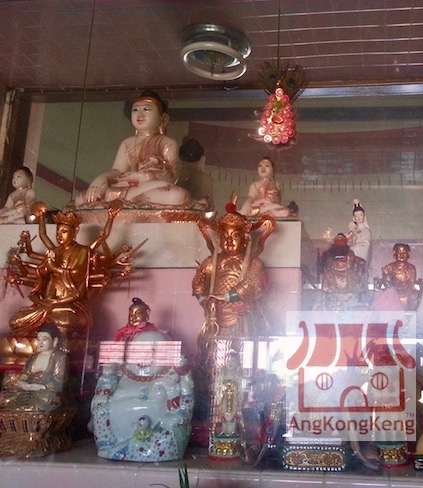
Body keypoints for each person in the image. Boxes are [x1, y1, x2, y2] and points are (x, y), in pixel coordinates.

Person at [8, 201, 121, 335]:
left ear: (75, 232)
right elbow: (43, 236)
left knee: (67, 319)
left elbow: (77, 273)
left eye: (64, 232)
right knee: (15, 320)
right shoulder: (54, 252)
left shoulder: (83, 251)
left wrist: (111, 216)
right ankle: (45, 329)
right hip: (48, 305)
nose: (59, 236)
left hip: (70, 305)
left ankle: (48, 329)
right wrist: (42, 217)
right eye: (58, 232)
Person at [74, 90, 190, 208]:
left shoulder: (167, 143)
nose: (140, 115)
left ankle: (126, 204)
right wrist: (101, 178)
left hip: (151, 186)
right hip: (129, 187)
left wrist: (142, 176)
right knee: (81, 199)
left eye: (146, 109)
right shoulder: (127, 143)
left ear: (163, 118)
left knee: (177, 195)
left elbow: (173, 177)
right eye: (135, 110)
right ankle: (131, 203)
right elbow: (118, 171)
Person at [90, 330, 194, 462]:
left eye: (153, 351)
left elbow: (186, 403)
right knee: (100, 408)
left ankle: (129, 450)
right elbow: (102, 393)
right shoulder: (120, 374)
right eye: (139, 350)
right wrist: (107, 377)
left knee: (170, 432)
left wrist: (177, 415)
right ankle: (110, 446)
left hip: (156, 435)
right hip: (114, 433)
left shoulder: (171, 378)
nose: (145, 356)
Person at [192, 198, 276, 347]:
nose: (229, 241)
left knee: (243, 348)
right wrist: (203, 300)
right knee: (212, 349)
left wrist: (227, 296)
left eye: (235, 236)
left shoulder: (253, 262)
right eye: (225, 236)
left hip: (241, 315)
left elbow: (251, 283)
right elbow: (199, 281)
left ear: (246, 238)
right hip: (215, 316)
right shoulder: (212, 261)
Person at [0, 324, 68, 412]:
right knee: (6, 398)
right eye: (38, 339)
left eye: (45, 339)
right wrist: (23, 383)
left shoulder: (60, 357)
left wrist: (40, 386)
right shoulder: (34, 357)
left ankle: (32, 417)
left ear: (55, 341)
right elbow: (26, 374)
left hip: (46, 393)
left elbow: (59, 381)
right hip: (28, 391)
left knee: (45, 400)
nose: (41, 342)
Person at [378, 243, 423, 310]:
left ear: (408, 254)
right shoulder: (389, 267)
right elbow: (386, 285)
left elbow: (411, 284)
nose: (402, 255)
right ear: (394, 253)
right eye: (399, 252)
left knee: (414, 296)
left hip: (406, 294)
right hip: (393, 294)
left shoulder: (411, 268)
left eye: (404, 252)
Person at [345, 199, 371, 263]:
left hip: (359, 257)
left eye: (361, 215)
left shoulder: (366, 230)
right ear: (354, 218)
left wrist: (352, 248)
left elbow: (366, 244)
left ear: (364, 216)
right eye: (356, 216)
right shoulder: (353, 231)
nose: (359, 218)